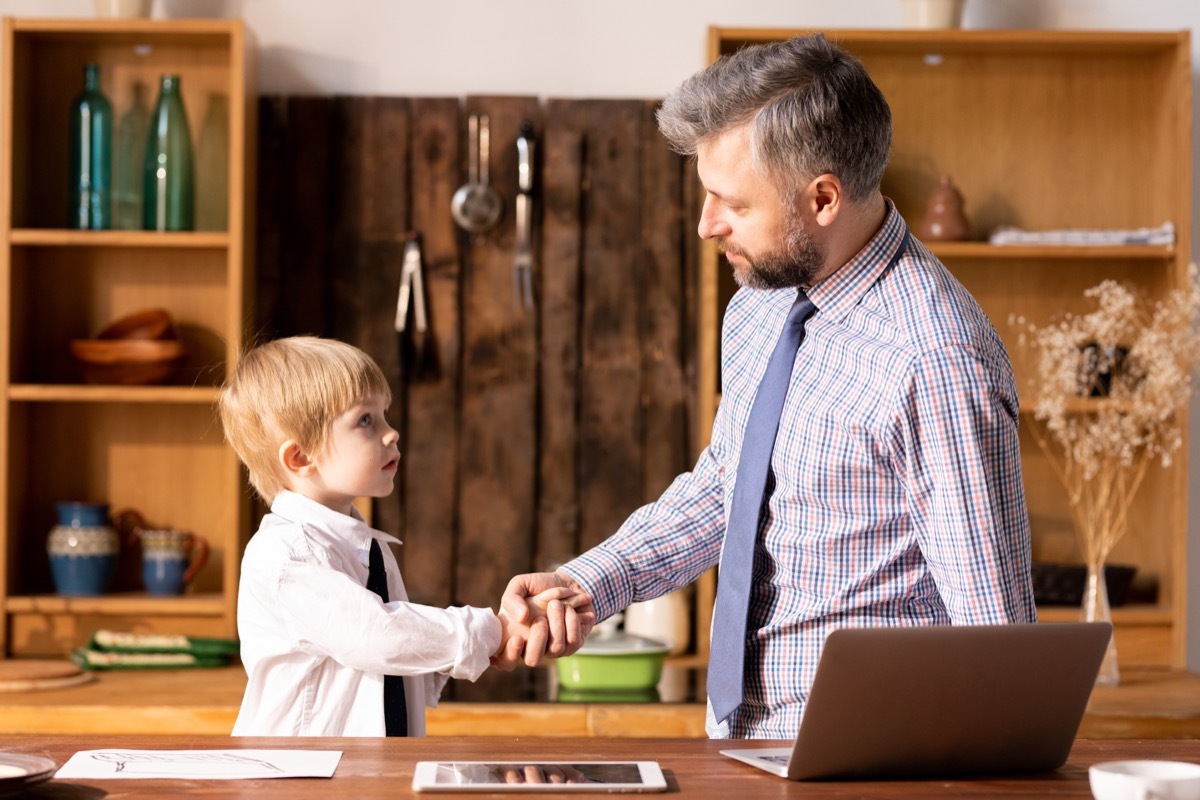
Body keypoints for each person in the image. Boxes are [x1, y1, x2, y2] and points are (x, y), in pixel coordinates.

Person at [498, 33, 1036, 738]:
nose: (705, 225)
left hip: (866, 760)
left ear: (821, 199)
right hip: (745, 743)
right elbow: (731, 484)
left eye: (733, 204)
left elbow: (998, 644)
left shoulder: (933, 359)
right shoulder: (761, 300)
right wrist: (593, 581)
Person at [218, 335, 580, 736]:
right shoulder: (286, 554)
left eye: (384, 415)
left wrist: (500, 637)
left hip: (363, 773)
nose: (392, 433)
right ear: (301, 457)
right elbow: (377, 637)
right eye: (365, 421)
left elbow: (394, 666)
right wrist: (491, 632)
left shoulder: (367, 549)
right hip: (296, 779)